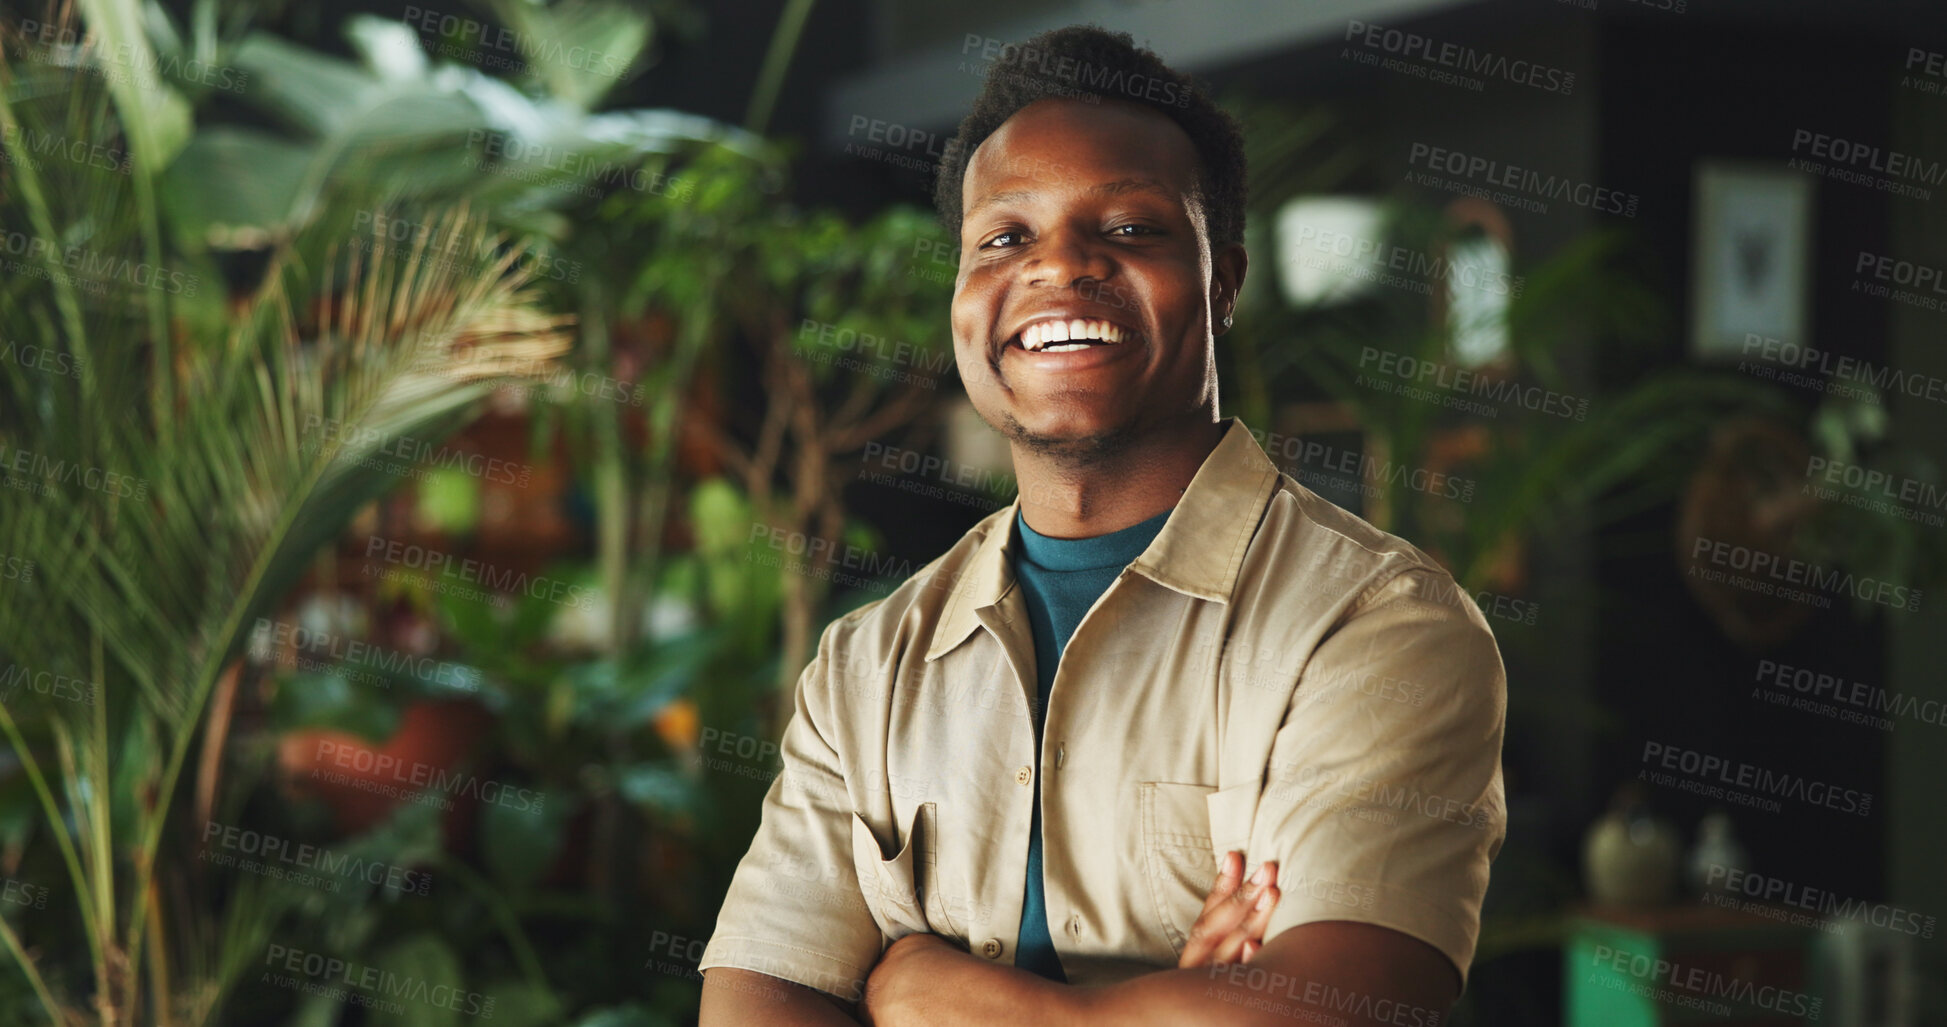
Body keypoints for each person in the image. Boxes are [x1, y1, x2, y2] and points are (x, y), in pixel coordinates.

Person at [699, 25, 1506, 1026]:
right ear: (960, 294)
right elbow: (755, 1003)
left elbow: (1334, 1009)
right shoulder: (869, 664)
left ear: (1224, 282)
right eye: (1003, 237)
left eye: (1129, 228)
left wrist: (919, 987)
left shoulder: (1377, 626)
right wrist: (1180, 1000)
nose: (1060, 266)